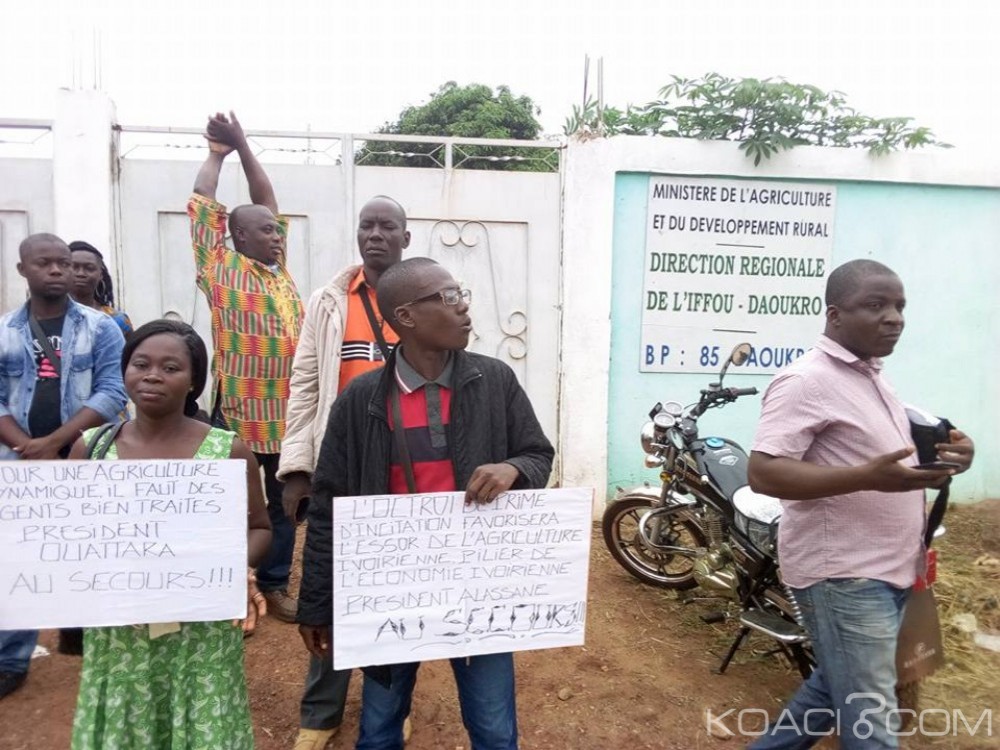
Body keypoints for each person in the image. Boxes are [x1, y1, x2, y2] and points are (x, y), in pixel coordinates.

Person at [297, 257, 554, 750]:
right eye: (449, 298)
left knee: (496, 732)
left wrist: (514, 469)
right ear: (407, 317)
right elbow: (329, 506)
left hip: (477, 586)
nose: (464, 310)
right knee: (377, 730)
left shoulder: (494, 380)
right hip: (391, 587)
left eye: (462, 296)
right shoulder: (361, 399)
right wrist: (318, 604)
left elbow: (538, 454)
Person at [747, 259, 975, 749]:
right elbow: (763, 472)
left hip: (888, 568)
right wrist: (866, 478)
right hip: (845, 577)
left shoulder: (870, 375)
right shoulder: (805, 381)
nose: (894, 317)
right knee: (871, 721)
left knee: (833, 690)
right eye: (875, 305)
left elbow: (884, 463)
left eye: (899, 306)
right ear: (834, 316)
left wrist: (957, 459)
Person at [68, 319, 271, 749]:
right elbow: (71, 535)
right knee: (129, 719)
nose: (153, 375)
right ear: (124, 371)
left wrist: (240, 569)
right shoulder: (91, 448)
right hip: (121, 628)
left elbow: (258, 527)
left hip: (200, 629)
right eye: (140, 364)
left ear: (194, 379)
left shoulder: (227, 450)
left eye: (170, 367)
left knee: (200, 720)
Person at [279, 196, 411, 749]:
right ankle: (321, 713)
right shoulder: (328, 300)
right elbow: (305, 384)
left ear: (406, 237)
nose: (375, 234)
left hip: (408, 468)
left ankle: (393, 702)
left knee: (398, 589)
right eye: (367, 225)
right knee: (330, 585)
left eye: (387, 226)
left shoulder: (424, 295)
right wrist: (295, 465)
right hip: (343, 461)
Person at [0, 233, 128, 700]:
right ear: (23, 271)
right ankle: (12, 657)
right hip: (18, 465)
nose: (56, 271)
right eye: (45, 263)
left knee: (94, 551)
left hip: (88, 458)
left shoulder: (101, 328)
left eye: (62, 263)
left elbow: (114, 391)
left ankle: (97, 644)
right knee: (19, 557)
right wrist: (27, 447)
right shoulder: (4, 331)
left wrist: (56, 442)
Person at [189, 110, 304, 622]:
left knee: (281, 507)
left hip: (285, 413)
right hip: (236, 412)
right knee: (227, 502)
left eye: (277, 230)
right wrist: (218, 154)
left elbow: (265, 197)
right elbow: (202, 205)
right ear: (236, 236)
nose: (276, 234)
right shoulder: (218, 267)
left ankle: (274, 583)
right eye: (264, 230)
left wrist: (246, 147)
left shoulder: (280, 272)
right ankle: (223, 584)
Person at [68, 240, 134, 336]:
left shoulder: (117, 320)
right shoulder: (46, 316)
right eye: (74, 267)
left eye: (89, 268)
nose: (81, 273)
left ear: (100, 274)